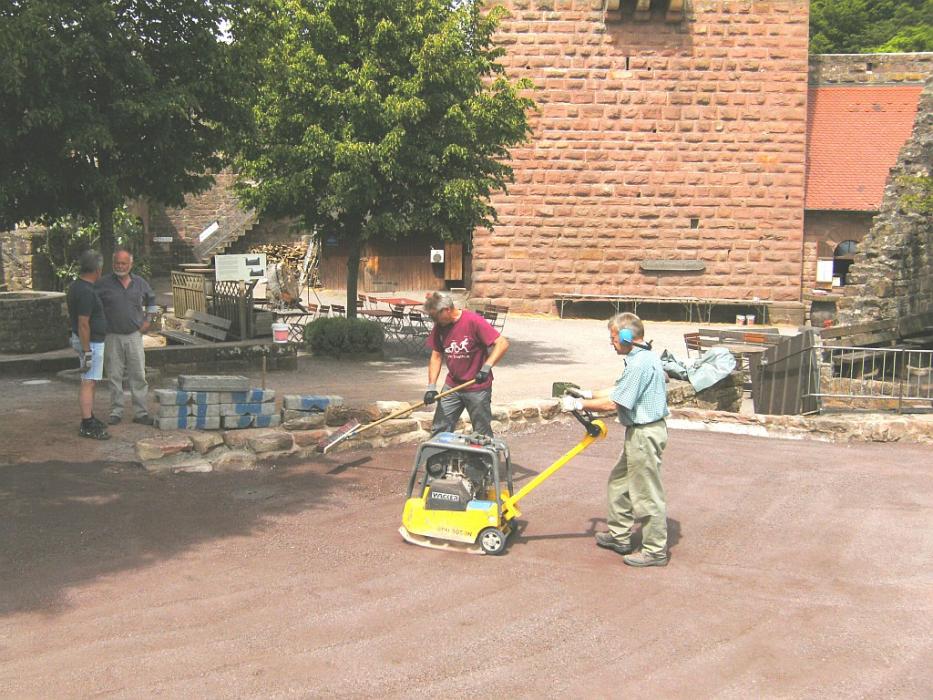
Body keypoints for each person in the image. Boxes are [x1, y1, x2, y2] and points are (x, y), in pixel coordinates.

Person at [561, 312, 670, 567]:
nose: (611, 343)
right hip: (641, 432)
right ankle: (620, 536)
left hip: (644, 434)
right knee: (619, 483)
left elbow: (614, 403)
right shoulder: (643, 357)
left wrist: (577, 404)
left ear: (626, 336)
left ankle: (655, 551)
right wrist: (587, 394)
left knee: (646, 493)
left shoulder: (640, 364)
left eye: (613, 338)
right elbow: (619, 389)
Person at [423, 291, 510, 437]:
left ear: (447, 310)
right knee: (440, 428)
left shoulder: (473, 321)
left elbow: (502, 343)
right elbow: (436, 356)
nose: (434, 321)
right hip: (452, 386)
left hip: (477, 387)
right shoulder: (440, 326)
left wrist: (486, 368)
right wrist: (431, 387)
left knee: (481, 433)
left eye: (436, 317)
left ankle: (483, 452)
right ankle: (438, 452)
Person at [95, 248, 158, 426]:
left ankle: (141, 412)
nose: (120, 266)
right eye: (117, 263)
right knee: (114, 376)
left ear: (130, 264)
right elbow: (93, 306)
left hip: (134, 336)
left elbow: (152, 300)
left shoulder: (140, 283)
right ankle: (116, 412)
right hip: (112, 336)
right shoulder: (103, 284)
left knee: (138, 375)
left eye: (123, 263)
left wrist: (148, 321)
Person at [66, 250, 110, 440]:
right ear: (97, 270)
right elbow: (83, 323)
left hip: (89, 340)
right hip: (90, 342)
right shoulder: (85, 291)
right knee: (88, 381)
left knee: (91, 381)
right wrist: (87, 351)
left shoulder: (77, 286)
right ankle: (86, 422)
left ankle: (89, 416)